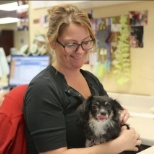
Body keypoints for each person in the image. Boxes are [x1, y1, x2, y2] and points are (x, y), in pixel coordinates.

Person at [23, 4, 141, 154]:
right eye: (71, 44)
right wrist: (119, 145)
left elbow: (109, 121)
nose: (80, 51)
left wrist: (120, 119)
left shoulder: (90, 80)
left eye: (86, 42)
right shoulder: (43, 88)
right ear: (52, 42)